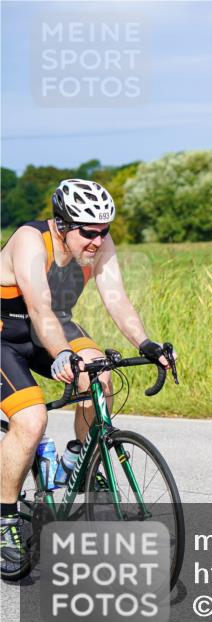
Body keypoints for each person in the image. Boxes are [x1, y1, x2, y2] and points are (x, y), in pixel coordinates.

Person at [0, 179, 171, 576]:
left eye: (103, 231)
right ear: (61, 224)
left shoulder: (97, 244)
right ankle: (6, 520)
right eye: (88, 232)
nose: (97, 240)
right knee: (31, 418)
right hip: (7, 333)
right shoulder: (31, 240)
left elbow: (115, 298)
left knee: (101, 376)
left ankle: (81, 457)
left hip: (53, 326)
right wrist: (61, 354)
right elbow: (40, 307)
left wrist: (145, 343)